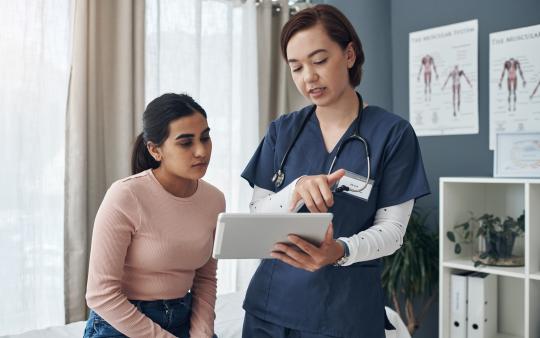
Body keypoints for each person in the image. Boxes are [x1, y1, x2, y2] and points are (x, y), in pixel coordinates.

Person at [241, 4, 430, 338]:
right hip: (270, 309)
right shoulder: (282, 132)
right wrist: (295, 189)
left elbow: (392, 231)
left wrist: (340, 251)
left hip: (346, 313)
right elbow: (257, 216)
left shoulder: (393, 134)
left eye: (319, 60)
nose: (308, 77)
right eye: (296, 67)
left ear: (349, 54)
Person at [83, 93, 225, 338]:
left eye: (205, 137)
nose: (201, 151)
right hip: (121, 323)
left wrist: (202, 334)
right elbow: (101, 294)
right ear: (155, 150)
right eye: (185, 142)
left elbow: (205, 278)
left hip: (183, 314)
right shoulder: (126, 195)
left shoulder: (215, 199)